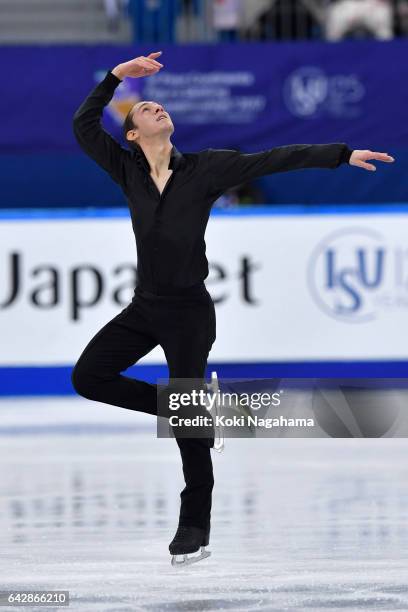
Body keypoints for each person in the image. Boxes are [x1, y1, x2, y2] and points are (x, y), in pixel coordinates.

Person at [71, 50, 394, 566]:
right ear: (131, 135)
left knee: (188, 430)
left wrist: (342, 154)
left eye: (159, 105)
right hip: (144, 307)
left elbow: (275, 158)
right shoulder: (126, 169)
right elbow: (84, 125)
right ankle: (193, 411)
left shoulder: (205, 168)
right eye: (145, 108)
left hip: (189, 314)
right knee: (89, 377)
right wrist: (116, 78)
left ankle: (193, 527)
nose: (155, 107)